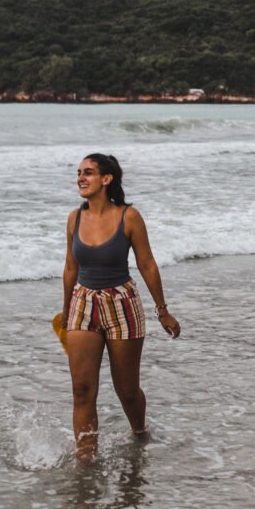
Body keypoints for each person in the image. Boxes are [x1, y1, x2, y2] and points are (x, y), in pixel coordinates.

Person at [61, 152, 180, 461]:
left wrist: (162, 310)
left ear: (106, 179)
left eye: (88, 172)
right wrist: (66, 311)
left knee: (127, 390)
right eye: (79, 172)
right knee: (82, 390)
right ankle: (86, 460)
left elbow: (147, 263)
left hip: (122, 305)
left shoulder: (129, 217)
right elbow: (70, 268)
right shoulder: (74, 218)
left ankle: (140, 433)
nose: (81, 178)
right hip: (83, 304)